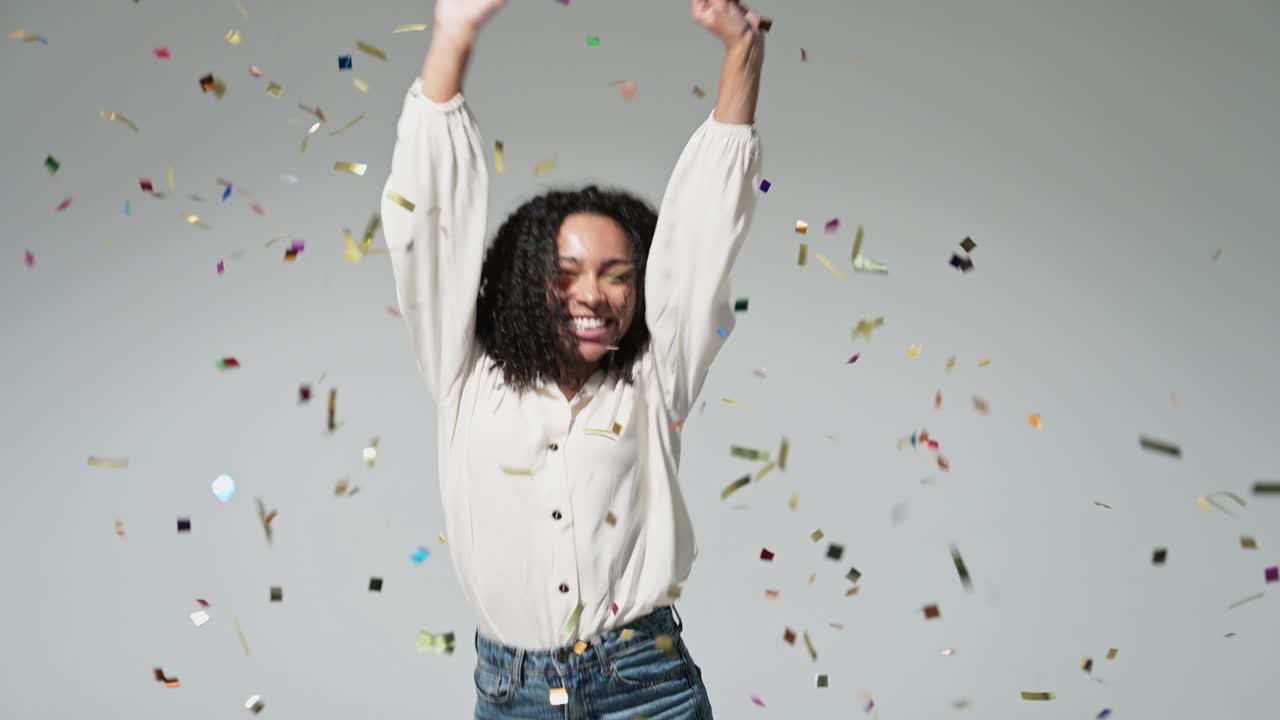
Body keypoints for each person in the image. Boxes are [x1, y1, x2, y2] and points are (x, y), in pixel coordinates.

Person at [380, 1, 766, 717]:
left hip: (645, 689)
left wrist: (743, 51)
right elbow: (423, 225)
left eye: (618, 273)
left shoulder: (656, 379)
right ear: (528, 279)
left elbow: (708, 235)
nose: (593, 292)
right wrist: (454, 34)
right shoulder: (467, 374)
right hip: (511, 689)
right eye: (567, 271)